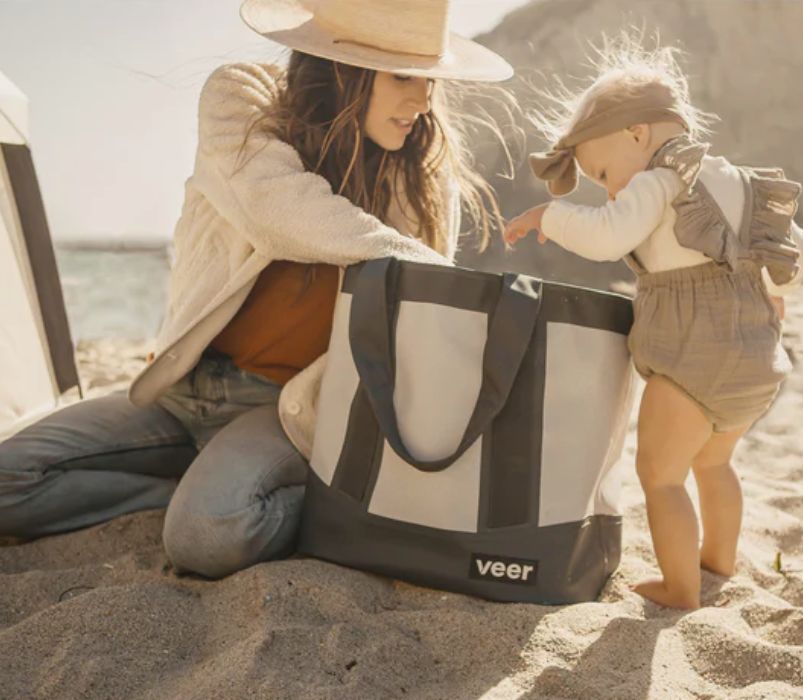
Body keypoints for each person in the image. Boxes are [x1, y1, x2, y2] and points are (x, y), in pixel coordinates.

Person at [0, 0, 513, 578]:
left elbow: (417, 314)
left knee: (205, 537)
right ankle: (193, 486)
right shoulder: (240, 97)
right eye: (402, 77)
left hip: (286, 409)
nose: (422, 104)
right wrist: (428, 268)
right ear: (345, 69)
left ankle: (239, 494)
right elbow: (278, 209)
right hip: (183, 385)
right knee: (6, 479)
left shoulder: (417, 178)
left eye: (430, 83)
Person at [504, 34, 803, 609]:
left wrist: (554, 214)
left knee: (661, 474)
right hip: (755, 360)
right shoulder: (743, 182)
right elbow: (794, 251)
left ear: (638, 135)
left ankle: (680, 588)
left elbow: (608, 236)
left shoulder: (656, 182)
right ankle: (718, 559)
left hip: (691, 359)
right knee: (715, 462)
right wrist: (774, 289)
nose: (611, 189)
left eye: (602, 173)